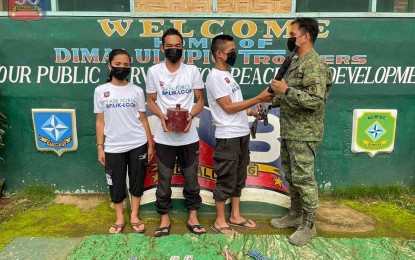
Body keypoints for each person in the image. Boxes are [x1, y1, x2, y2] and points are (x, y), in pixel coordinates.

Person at [269, 17, 332, 246]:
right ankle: (295, 214)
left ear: (305, 36)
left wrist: (285, 90)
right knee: (292, 175)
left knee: (304, 179)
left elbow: (316, 101)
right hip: (290, 130)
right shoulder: (296, 62)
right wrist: (270, 101)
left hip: (305, 133)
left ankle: (309, 225)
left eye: (293, 33)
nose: (290, 37)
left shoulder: (314, 65)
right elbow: (289, 97)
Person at [205, 34, 274, 234]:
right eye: (231, 52)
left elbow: (235, 104)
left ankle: (235, 216)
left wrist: (252, 112)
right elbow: (227, 107)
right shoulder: (214, 77)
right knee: (226, 178)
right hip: (228, 136)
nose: (235, 54)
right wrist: (258, 98)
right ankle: (219, 221)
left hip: (241, 134)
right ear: (219, 53)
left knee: (238, 178)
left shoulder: (227, 75)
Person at [146, 28, 206, 237]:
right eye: (169, 46)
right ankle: (164, 217)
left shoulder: (192, 71)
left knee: (191, 177)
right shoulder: (154, 72)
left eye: (177, 46)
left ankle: (193, 216)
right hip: (164, 137)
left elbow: (200, 99)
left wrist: (191, 116)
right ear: (162, 48)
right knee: (164, 178)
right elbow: (151, 100)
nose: (174, 49)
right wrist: (162, 116)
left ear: (183, 48)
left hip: (189, 137)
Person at [94, 48, 154, 234]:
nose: (122, 68)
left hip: (138, 143)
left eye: (126, 65)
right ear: (109, 65)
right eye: (118, 64)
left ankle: (135, 215)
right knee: (116, 183)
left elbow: (143, 119)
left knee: (137, 182)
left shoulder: (136, 91)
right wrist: (100, 147)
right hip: (113, 146)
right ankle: (119, 218)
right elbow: (100, 121)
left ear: (131, 67)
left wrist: (150, 143)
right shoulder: (101, 91)